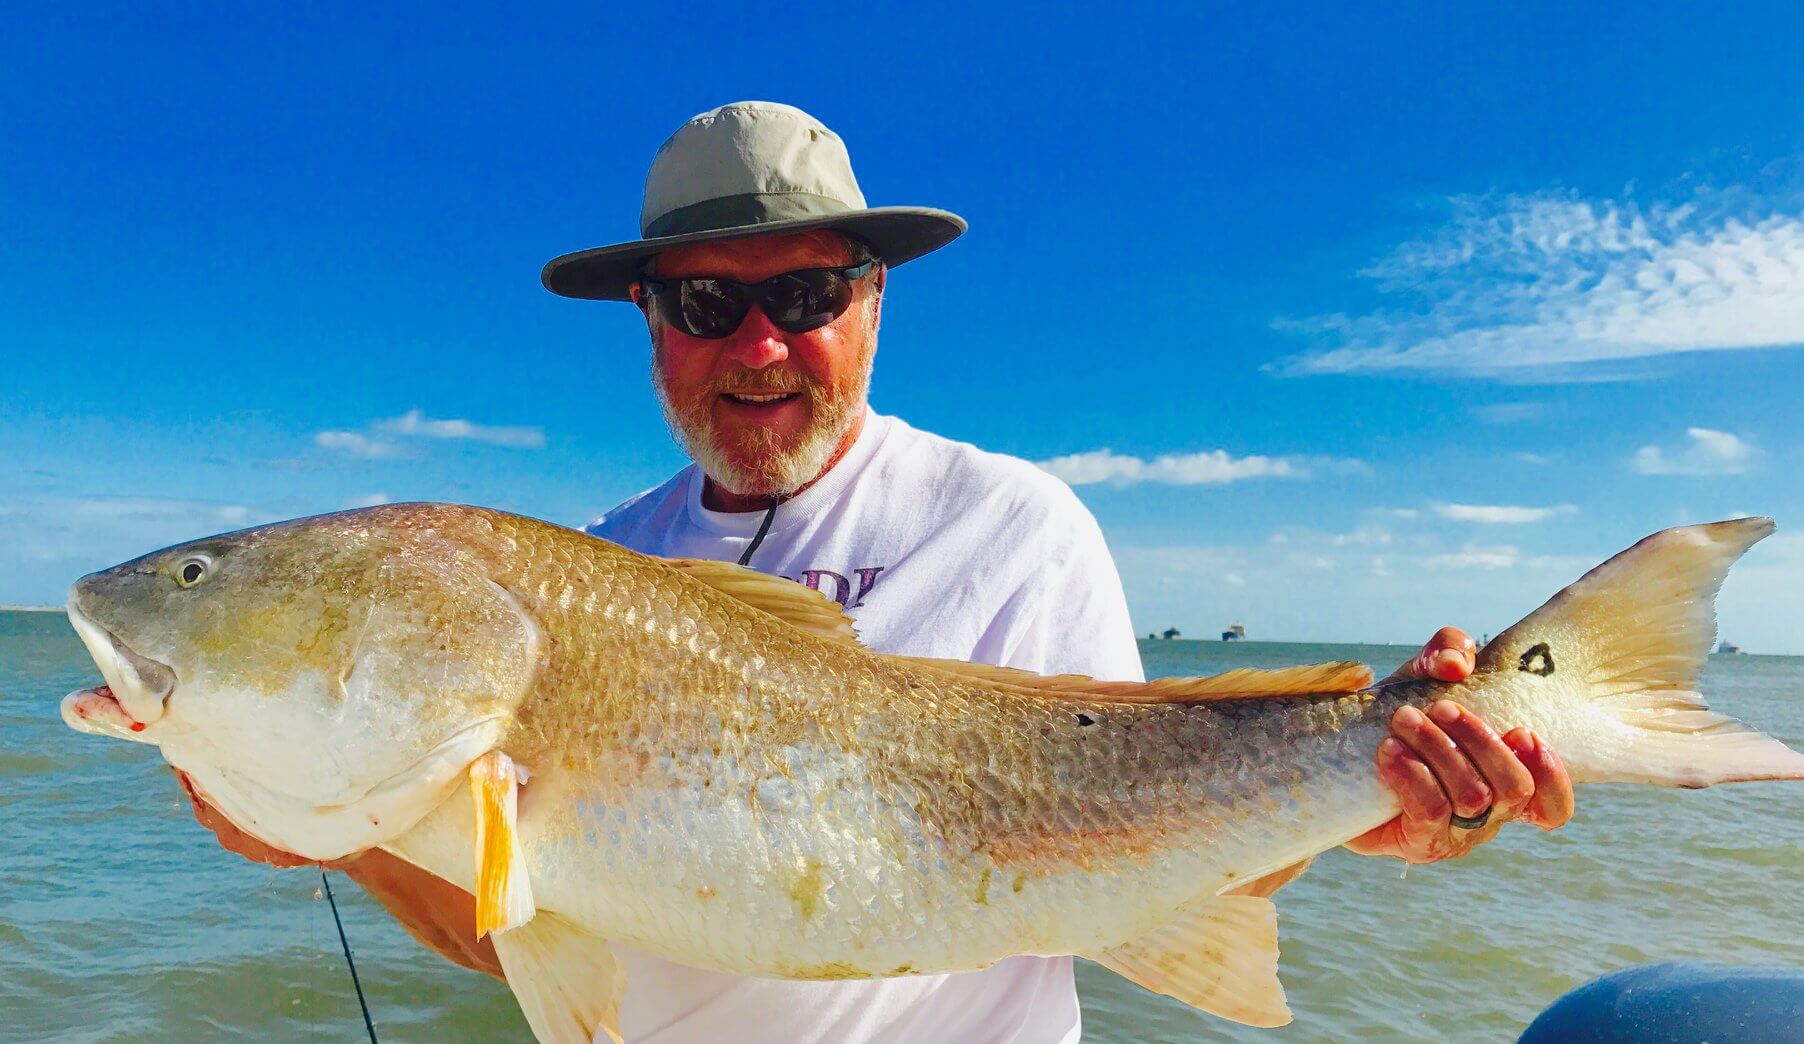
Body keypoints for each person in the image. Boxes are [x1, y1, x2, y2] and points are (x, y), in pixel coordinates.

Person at [181, 101, 1575, 1042]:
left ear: (872, 299)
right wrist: (328, 818)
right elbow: (512, 936)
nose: (761, 344)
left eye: (804, 297)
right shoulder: (597, 567)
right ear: (651, 324)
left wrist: (1373, 806)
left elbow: (1135, 843)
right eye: (706, 301)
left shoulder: (1017, 526)